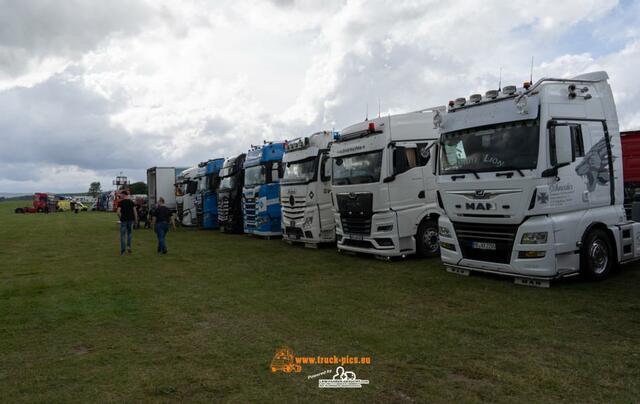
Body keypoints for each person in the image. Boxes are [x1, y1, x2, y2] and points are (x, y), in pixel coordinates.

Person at [117, 191, 138, 255]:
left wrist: (121, 217)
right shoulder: (132, 202)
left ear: (124, 195)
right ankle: (129, 246)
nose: (120, 196)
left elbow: (118, 212)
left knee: (123, 236)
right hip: (130, 220)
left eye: (121, 194)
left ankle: (123, 251)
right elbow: (135, 212)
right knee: (129, 234)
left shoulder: (120, 202)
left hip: (124, 221)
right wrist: (136, 220)